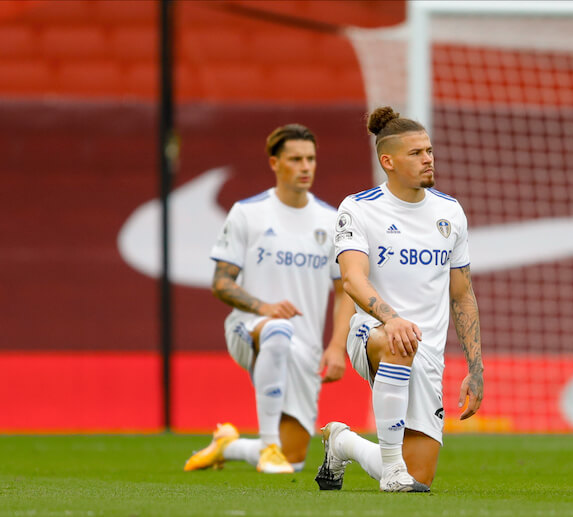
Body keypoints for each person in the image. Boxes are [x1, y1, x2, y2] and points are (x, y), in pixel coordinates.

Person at [315, 107, 484, 492]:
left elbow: (462, 296)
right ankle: (392, 471)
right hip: (373, 332)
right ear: (387, 161)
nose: (428, 159)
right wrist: (390, 319)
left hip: (428, 351)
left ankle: (341, 443)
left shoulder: (450, 212)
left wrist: (476, 368)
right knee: (396, 341)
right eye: (416, 153)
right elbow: (352, 279)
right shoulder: (358, 208)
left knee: (420, 476)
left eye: (429, 151)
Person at [184, 124, 354, 474]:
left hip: (305, 345)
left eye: (310, 159)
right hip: (249, 328)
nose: (305, 167)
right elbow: (221, 282)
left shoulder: (331, 220)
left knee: (295, 459)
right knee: (278, 330)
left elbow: (344, 290)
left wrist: (337, 346)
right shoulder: (248, 213)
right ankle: (268, 443)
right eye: (295, 159)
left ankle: (229, 446)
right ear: (275, 163)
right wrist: (264, 308)